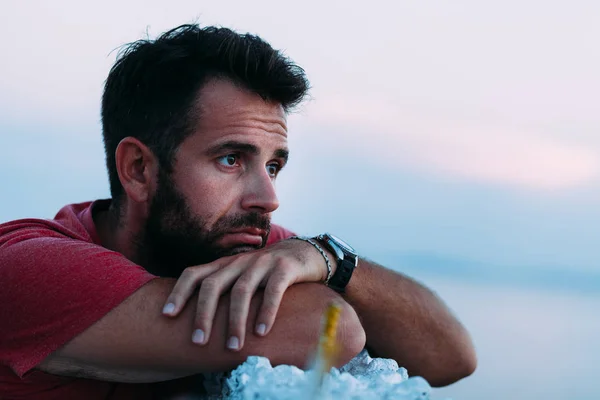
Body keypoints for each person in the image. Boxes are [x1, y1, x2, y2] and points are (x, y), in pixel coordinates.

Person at [0, 24, 476, 399]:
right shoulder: (28, 267)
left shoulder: (230, 242)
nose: (267, 198)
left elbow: (453, 357)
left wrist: (329, 257)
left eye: (274, 165)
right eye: (231, 160)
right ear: (140, 169)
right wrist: (320, 279)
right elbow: (323, 328)